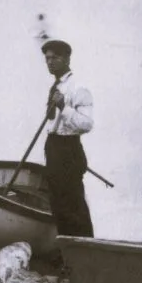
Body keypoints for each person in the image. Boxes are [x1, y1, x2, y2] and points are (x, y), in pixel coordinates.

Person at [40, 39, 95, 238]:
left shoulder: (78, 87)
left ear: (67, 58)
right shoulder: (55, 86)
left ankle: (85, 253)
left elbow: (87, 124)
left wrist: (64, 107)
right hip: (54, 148)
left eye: (55, 57)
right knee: (58, 206)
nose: (50, 62)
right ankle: (68, 256)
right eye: (47, 58)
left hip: (68, 149)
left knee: (73, 205)